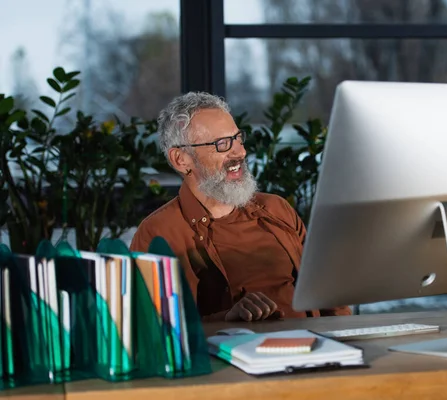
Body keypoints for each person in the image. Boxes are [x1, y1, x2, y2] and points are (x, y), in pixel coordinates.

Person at [130, 92, 351, 322]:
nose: (240, 152)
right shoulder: (160, 232)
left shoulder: (277, 209)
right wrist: (226, 318)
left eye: (238, 138)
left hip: (317, 348)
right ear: (181, 159)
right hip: (234, 355)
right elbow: (153, 329)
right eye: (222, 144)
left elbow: (329, 298)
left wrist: (346, 341)